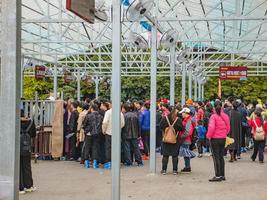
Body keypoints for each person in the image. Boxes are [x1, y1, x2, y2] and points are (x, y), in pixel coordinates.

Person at [206, 100, 230, 182]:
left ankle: (217, 175)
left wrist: (208, 136)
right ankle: (222, 175)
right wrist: (224, 134)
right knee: (221, 156)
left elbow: (211, 128)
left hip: (214, 139)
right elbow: (228, 128)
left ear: (214, 107)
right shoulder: (225, 116)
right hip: (223, 138)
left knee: (216, 157)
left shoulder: (213, 116)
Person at [160, 107, 184, 175]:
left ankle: (164, 170)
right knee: (175, 155)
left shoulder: (165, 118)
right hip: (175, 139)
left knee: (165, 155)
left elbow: (160, 126)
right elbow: (182, 129)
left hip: (166, 139)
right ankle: (175, 170)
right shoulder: (178, 120)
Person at [102, 102, 125, 169]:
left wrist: (104, 130)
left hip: (109, 132)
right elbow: (123, 123)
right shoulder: (120, 113)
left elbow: (105, 122)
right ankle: (116, 162)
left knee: (108, 148)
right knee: (116, 148)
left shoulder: (108, 112)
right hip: (117, 134)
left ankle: (108, 163)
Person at [20, 110, 37, 195]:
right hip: (26, 147)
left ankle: (20, 188)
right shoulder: (30, 122)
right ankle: (28, 186)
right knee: (27, 166)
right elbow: (34, 134)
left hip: (15, 148)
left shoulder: (13, 120)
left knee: (17, 167)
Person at [83, 103, 103, 169]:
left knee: (87, 147)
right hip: (97, 134)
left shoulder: (88, 116)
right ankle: (95, 163)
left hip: (89, 133)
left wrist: (86, 130)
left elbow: (84, 124)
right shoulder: (100, 116)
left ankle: (86, 162)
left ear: (92, 109)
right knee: (95, 148)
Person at [179, 107, 196, 173]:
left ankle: (187, 167)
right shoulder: (188, 119)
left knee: (185, 153)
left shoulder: (188, 120)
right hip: (186, 139)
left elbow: (188, 132)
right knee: (185, 153)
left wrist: (181, 136)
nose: (182, 114)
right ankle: (187, 167)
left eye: (182, 113)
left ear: (186, 113)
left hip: (186, 139)